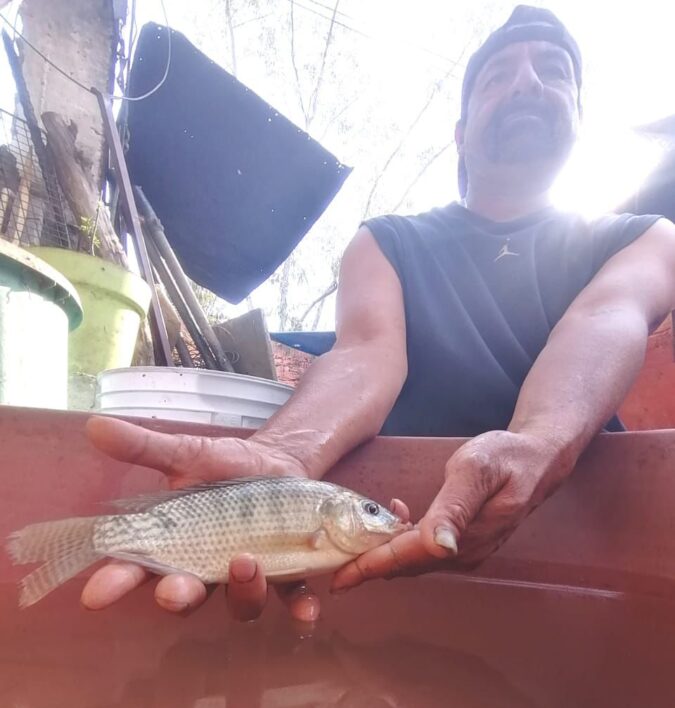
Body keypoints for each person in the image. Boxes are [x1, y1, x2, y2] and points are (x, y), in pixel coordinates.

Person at [81, 5, 675, 622]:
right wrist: (285, 456)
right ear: (460, 132)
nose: (527, 81)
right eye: (498, 75)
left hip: (588, 571)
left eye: (553, 70)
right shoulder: (385, 242)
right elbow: (366, 351)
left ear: (579, 115)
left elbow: (606, 318)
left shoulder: (646, 237)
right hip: (385, 566)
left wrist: (538, 445)